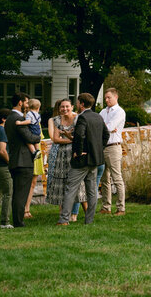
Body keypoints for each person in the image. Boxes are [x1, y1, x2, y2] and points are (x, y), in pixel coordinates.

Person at [60, 92, 108, 225]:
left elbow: (80, 136)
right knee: (92, 191)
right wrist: (98, 149)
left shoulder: (82, 118)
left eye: (77, 102)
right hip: (95, 160)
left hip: (82, 161)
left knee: (71, 188)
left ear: (81, 104)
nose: (76, 104)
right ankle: (89, 220)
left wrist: (78, 152)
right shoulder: (98, 117)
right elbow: (106, 135)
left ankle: (64, 219)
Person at [5, 91, 41, 228]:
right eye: (26, 102)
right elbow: (29, 138)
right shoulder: (16, 119)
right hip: (23, 160)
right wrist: (38, 138)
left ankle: (17, 219)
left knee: (18, 192)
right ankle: (19, 222)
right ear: (20, 103)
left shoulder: (9, 118)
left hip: (15, 158)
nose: (28, 105)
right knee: (21, 193)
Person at [46, 98, 80, 222]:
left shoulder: (78, 119)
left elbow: (80, 136)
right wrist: (71, 140)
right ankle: (63, 212)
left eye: (67, 106)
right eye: (62, 107)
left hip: (74, 154)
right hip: (60, 155)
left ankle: (74, 214)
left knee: (75, 183)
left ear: (72, 107)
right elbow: (54, 138)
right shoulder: (55, 120)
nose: (65, 109)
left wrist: (66, 137)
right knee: (61, 182)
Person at [99, 88, 127, 216]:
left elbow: (108, 127)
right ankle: (106, 206)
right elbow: (99, 126)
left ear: (116, 97)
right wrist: (107, 127)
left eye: (109, 97)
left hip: (113, 147)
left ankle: (121, 208)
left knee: (117, 178)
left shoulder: (119, 112)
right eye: (105, 98)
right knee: (104, 179)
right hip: (102, 146)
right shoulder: (103, 112)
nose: (106, 100)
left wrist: (107, 127)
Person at [15, 98, 43, 220]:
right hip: (29, 154)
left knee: (33, 182)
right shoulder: (25, 118)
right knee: (28, 182)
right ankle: (24, 209)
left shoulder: (34, 118)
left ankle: (27, 208)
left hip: (37, 152)